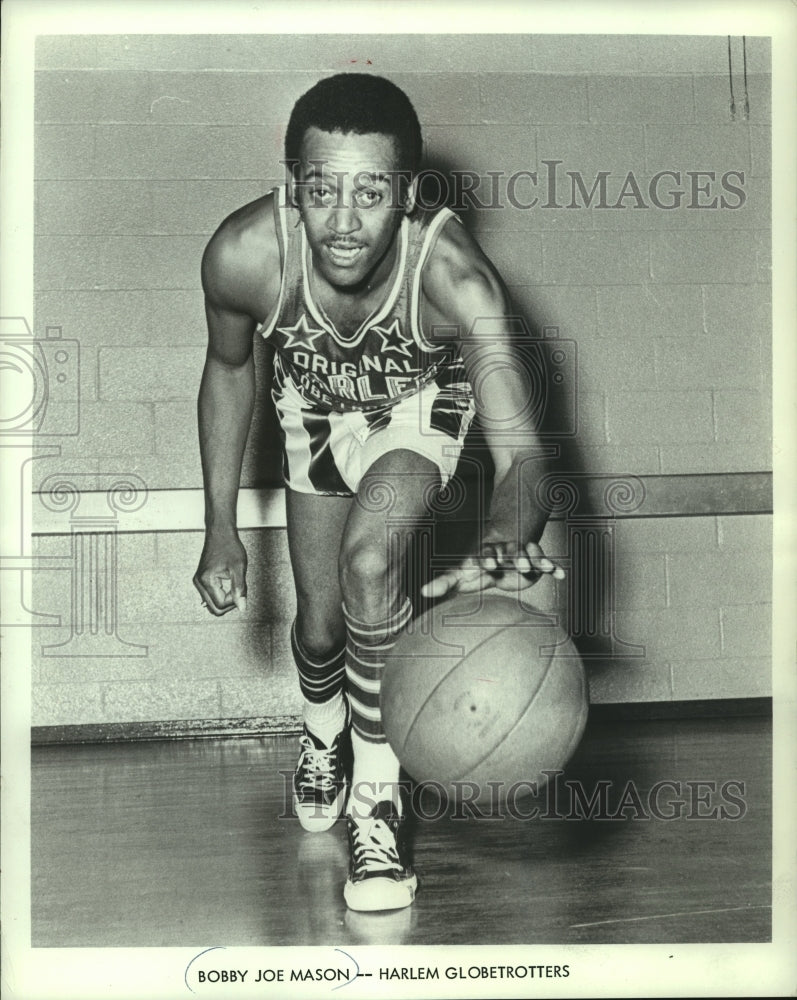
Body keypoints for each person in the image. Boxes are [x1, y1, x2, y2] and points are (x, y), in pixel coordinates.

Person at [193, 73, 564, 913]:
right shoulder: (245, 255)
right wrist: (220, 526)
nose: (344, 220)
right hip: (311, 413)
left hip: (415, 411)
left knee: (371, 563)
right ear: (293, 185)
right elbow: (225, 371)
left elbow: (524, 460)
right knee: (319, 631)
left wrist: (506, 538)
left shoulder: (458, 281)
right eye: (322, 190)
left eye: (370, 192)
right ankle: (322, 731)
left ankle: (377, 801)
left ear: (407, 195)